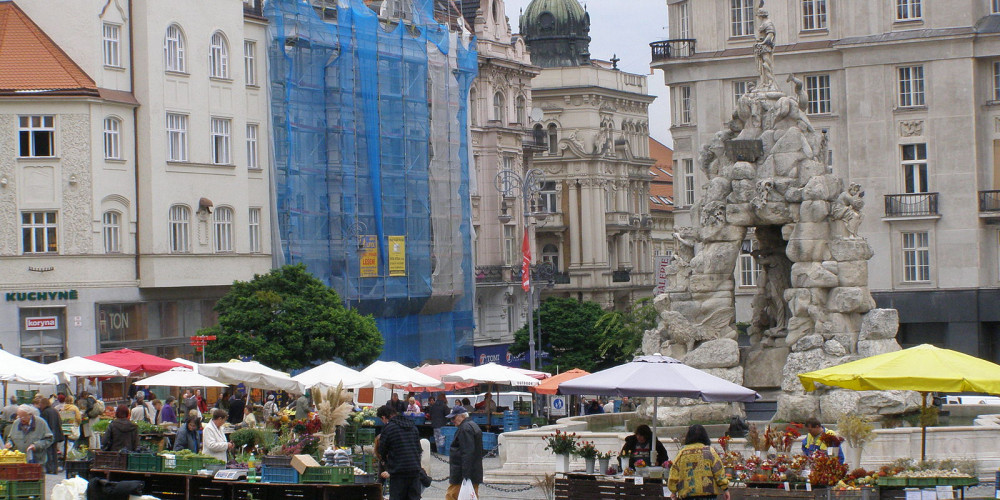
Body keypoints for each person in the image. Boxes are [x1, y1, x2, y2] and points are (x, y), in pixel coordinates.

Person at [668, 424, 730, 500]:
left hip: (688, 495)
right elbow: (719, 471)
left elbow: (674, 473)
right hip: (708, 495)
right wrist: (725, 489)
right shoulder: (709, 451)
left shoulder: (682, 453)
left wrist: (673, 491)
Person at [376, 405, 424, 499]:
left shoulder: (388, 428)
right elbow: (419, 449)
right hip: (414, 470)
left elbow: (382, 450)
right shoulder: (412, 426)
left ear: (384, 417)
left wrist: (386, 463)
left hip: (398, 472)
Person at [445, 405, 483, 500]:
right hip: (473, 471)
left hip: (462, 473)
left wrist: (465, 476)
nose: (452, 420)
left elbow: (467, 452)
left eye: (454, 417)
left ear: (461, 416)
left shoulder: (465, 428)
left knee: (451, 496)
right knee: (472, 495)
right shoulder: (472, 425)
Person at [33, 395, 63, 474]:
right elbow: (60, 422)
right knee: (54, 452)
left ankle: (50, 469)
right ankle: (55, 469)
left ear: (43, 404)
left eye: (40, 404)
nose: (40, 406)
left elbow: (43, 425)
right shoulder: (54, 410)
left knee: (48, 452)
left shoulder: (45, 412)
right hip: (56, 434)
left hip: (49, 435)